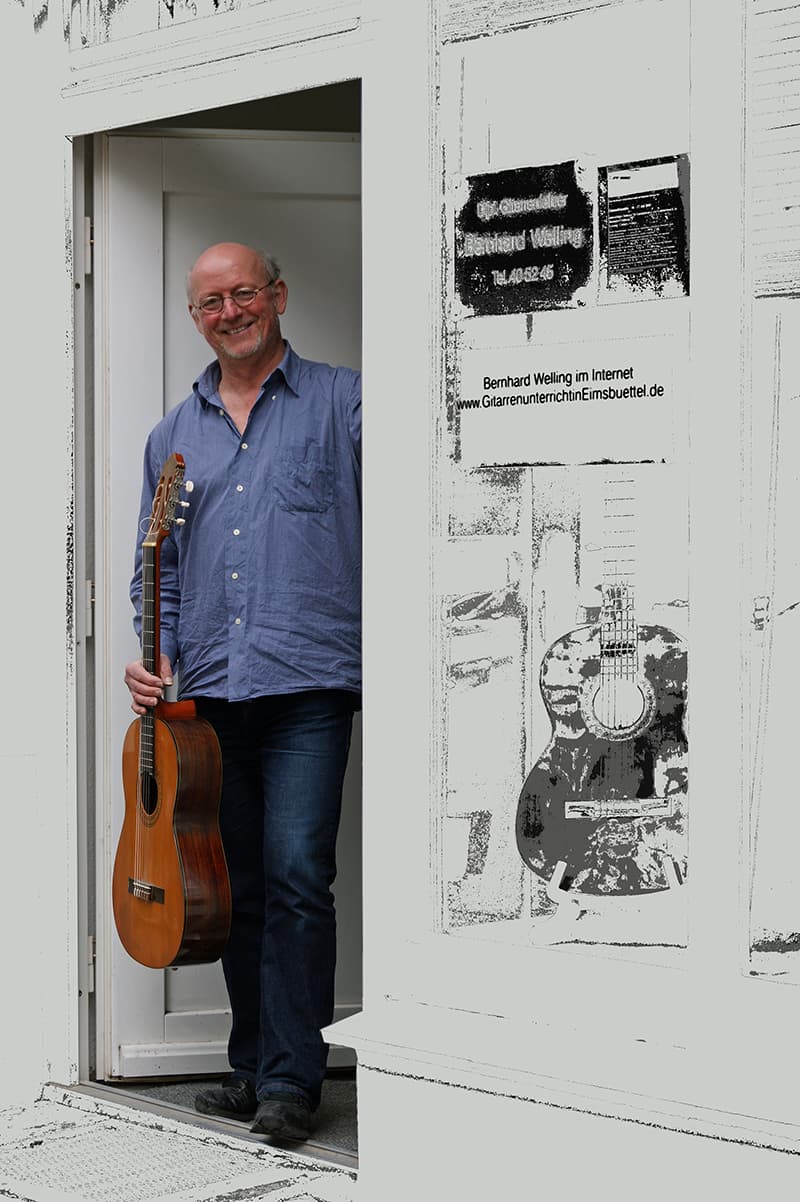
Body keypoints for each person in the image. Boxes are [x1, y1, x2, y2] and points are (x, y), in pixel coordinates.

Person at [124, 241, 361, 1142]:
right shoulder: (170, 436)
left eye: (245, 293)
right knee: (237, 883)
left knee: (301, 875)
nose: (230, 311)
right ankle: (256, 1064)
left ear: (279, 297)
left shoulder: (345, 402)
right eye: (210, 302)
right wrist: (153, 655)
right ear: (196, 318)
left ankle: (293, 1082)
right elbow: (162, 570)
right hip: (210, 697)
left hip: (309, 683)